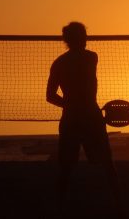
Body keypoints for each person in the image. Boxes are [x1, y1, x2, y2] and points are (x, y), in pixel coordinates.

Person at [46, 22, 118, 208]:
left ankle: (60, 203)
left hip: (72, 116)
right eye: (84, 35)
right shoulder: (91, 58)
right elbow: (51, 95)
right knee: (105, 161)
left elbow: (50, 96)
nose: (86, 39)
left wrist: (69, 105)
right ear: (80, 38)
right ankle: (117, 199)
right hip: (89, 114)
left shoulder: (60, 63)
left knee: (67, 166)